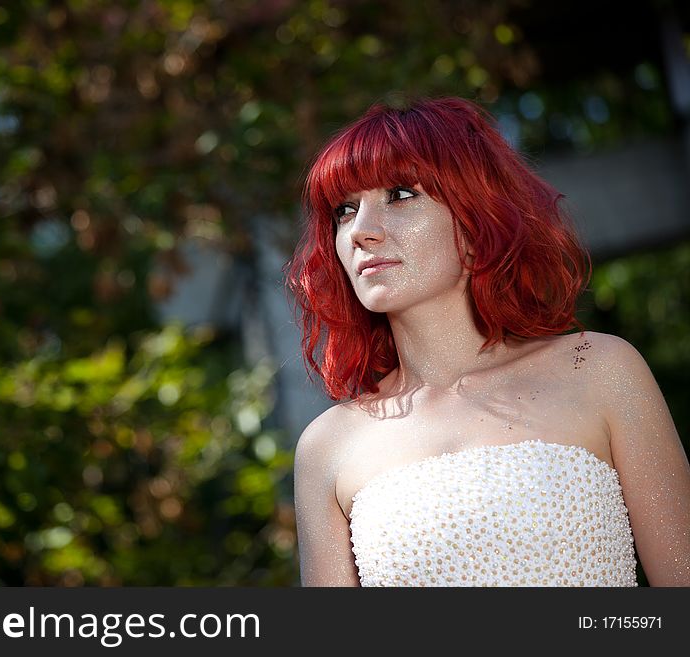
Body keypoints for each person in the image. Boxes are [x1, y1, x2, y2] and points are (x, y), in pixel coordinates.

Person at [285, 95, 690, 587]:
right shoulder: (328, 446)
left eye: (401, 195)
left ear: (478, 218)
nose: (361, 232)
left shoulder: (601, 369)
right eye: (345, 210)